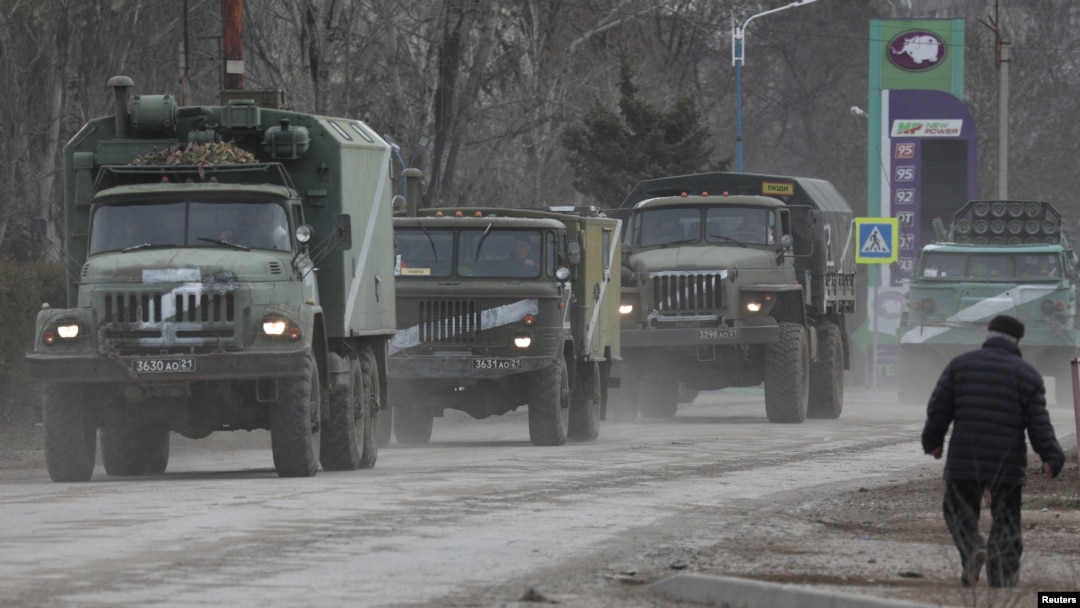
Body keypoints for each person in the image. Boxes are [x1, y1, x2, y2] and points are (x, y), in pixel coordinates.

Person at [921, 314, 1064, 588]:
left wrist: (933, 442)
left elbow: (938, 409)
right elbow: (1039, 424)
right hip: (1007, 463)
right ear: (1018, 341)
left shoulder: (960, 365)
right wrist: (1051, 458)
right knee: (1007, 520)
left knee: (958, 510)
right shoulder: (1028, 375)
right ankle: (1002, 580)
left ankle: (973, 547)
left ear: (987, 336)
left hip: (965, 458)